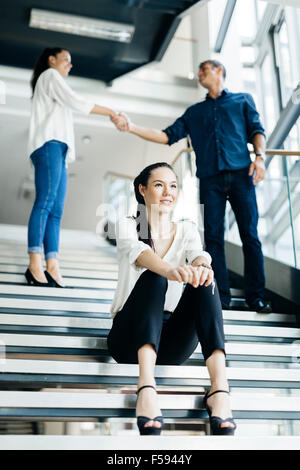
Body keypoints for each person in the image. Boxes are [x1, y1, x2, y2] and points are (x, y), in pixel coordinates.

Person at [111, 59, 272, 313]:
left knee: (250, 236)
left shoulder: (243, 100)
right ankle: (220, 297)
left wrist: (260, 158)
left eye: (204, 70)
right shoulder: (194, 112)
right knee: (213, 238)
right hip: (209, 180)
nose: (199, 74)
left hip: (242, 175)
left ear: (220, 70)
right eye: (198, 71)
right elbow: (166, 136)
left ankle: (257, 296)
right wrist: (131, 127)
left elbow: (257, 130)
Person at [107, 162, 237, 436]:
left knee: (205, 279)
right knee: (155, 277)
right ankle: (146, 387)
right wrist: (170, 270)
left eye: (173, 186)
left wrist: (201, 264)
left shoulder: (187, 229)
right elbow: (140, 253)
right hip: (128, 338)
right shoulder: (127, 225)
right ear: (142, 190)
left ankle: (220, 390)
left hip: (171, 343)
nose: (168, 192)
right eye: (159, 185)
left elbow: (198, 253)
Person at [26, 47, 126, 288]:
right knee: (45, 202)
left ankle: (52, 265)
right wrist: (111, 111)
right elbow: (77, 101)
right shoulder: (50, 76)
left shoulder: (52, 82)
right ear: (52, 60)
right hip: (49, 145)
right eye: (66, 60)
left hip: (59, 150)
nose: (69, 65)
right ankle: (34, 262)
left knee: (56, 211)